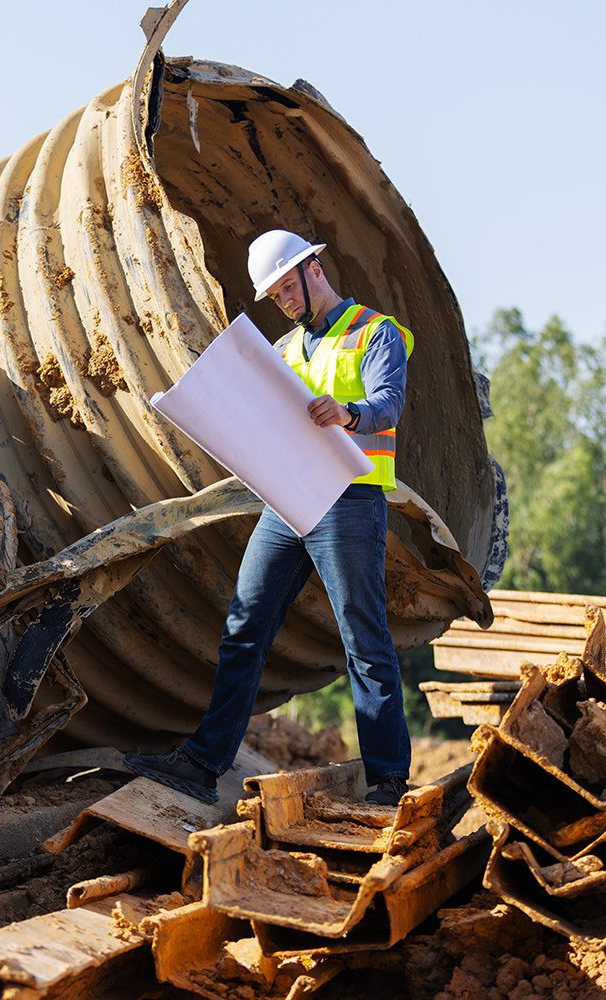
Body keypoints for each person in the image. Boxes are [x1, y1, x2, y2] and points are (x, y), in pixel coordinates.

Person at [125, 229, 414, 806]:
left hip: (349, 502)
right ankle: (203, 764)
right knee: (244, 627)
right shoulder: (280, 352)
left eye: (286, 290)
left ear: (313, 271)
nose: (282, 303)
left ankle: (388, 782)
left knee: (364, 640)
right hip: (286, 503)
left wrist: (350, 414)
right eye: (274, 296)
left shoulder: (374, 333)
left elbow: (389, 402)